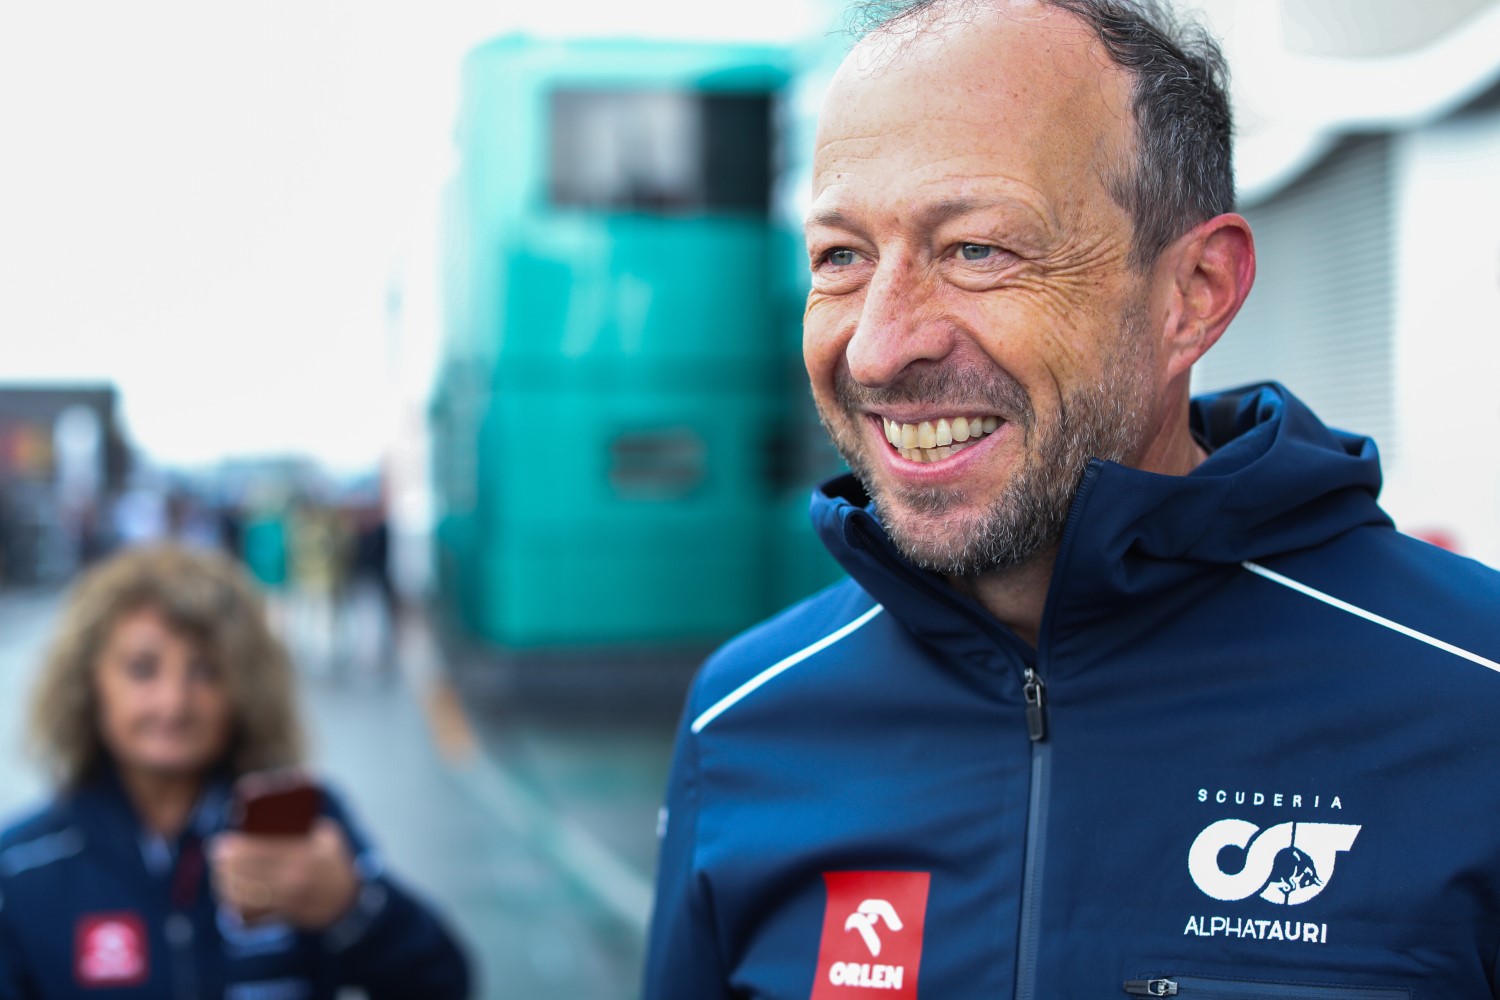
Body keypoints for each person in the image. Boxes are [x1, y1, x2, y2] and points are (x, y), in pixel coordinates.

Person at [643, 1, 1500, 997]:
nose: (880, 345)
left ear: (1194, 291)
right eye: (842, 257)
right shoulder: (746, 718)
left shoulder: (1472, 700)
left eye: (977, 249)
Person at [0, 544, 471, 999]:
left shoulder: (305, 829)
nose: (174, 702)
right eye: (143, 670)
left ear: (244, 687)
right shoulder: (22, 866)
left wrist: (354, 908)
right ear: (87, 684)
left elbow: (443, 982)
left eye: (205, 671)